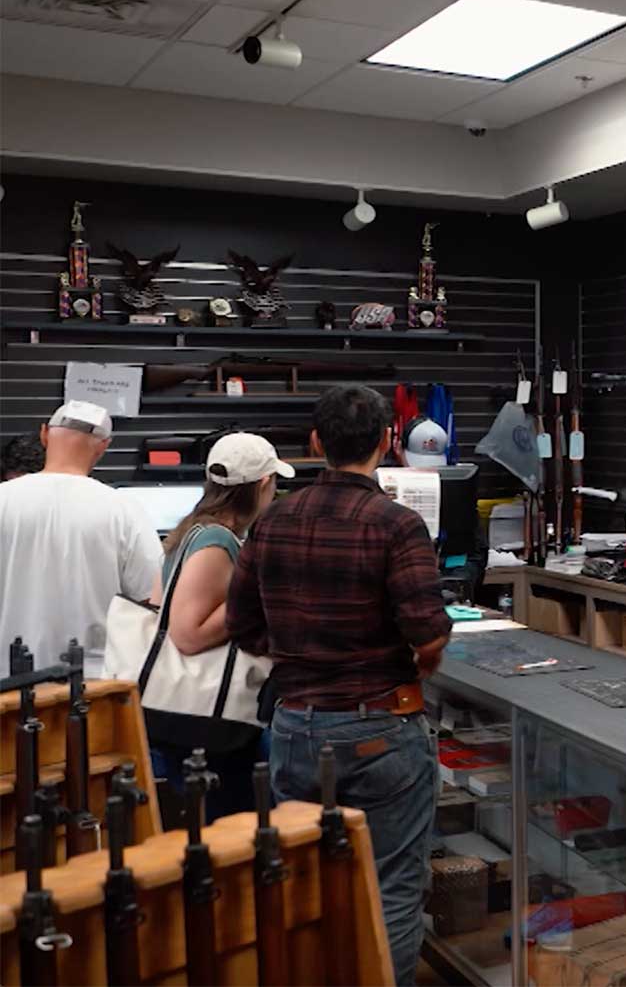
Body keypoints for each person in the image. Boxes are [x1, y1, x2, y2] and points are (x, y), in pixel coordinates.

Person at [228, 385, 450, 985]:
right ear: (388, 441)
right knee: (392, 892)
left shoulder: (271, 521)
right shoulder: (397, 524)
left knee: (303, 883)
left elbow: (244, 626)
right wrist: (417, 665)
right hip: (382, 726)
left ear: (316, 443)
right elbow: (428, 631)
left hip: (296, 726)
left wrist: (303, 654)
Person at [145, 432, 293, 825]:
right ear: (262, 485)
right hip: (209, 723)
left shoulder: (191, 529)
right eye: (274, 483)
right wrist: (259, 596)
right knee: (232, 827)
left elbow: (157, 604)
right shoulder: (216, 541)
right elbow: (187, 633)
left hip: (179, 712)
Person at [0, 402, 161, 672]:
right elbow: (151, 597)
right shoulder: (124, 510)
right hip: (90, 684)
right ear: (103, 446)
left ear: (44, 435)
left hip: (6, 682)